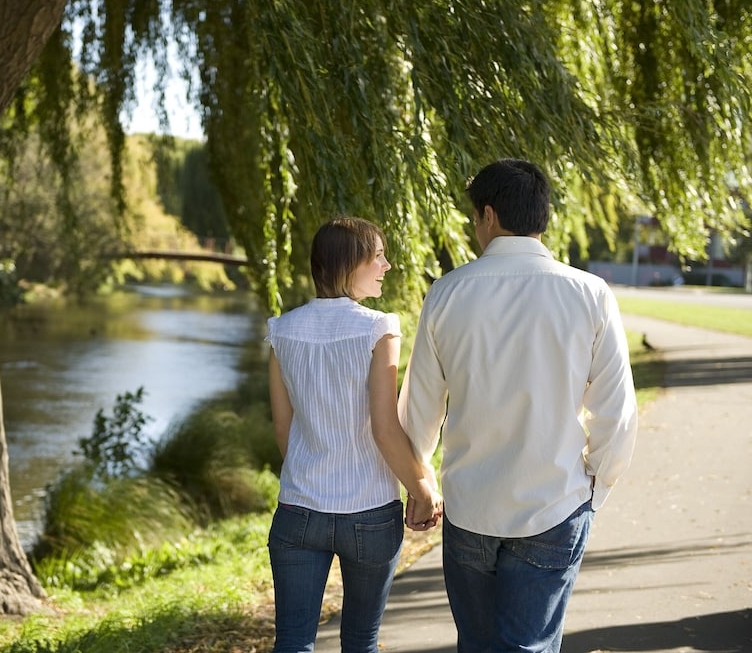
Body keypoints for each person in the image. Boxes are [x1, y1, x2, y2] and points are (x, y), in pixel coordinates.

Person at [399, 158, 638, 652]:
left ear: (488, 215)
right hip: (554, 501)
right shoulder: (590, 294)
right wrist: (595, 488)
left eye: (473, 218)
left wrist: (418, 482)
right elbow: (616, 412)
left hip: (470, 506)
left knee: (477, 645)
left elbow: (419, 408)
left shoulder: (445, 294)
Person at [265, 216, 443, 653]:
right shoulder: (378, 327)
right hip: (369, 512)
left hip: (298, 510)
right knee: (361, 642)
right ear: (350, 263)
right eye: (378, 255)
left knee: (292, 641)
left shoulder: (281, 330)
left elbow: (284, 428)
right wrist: (422, 488)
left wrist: (309, 478)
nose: (387, 265)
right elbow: (384, 429)